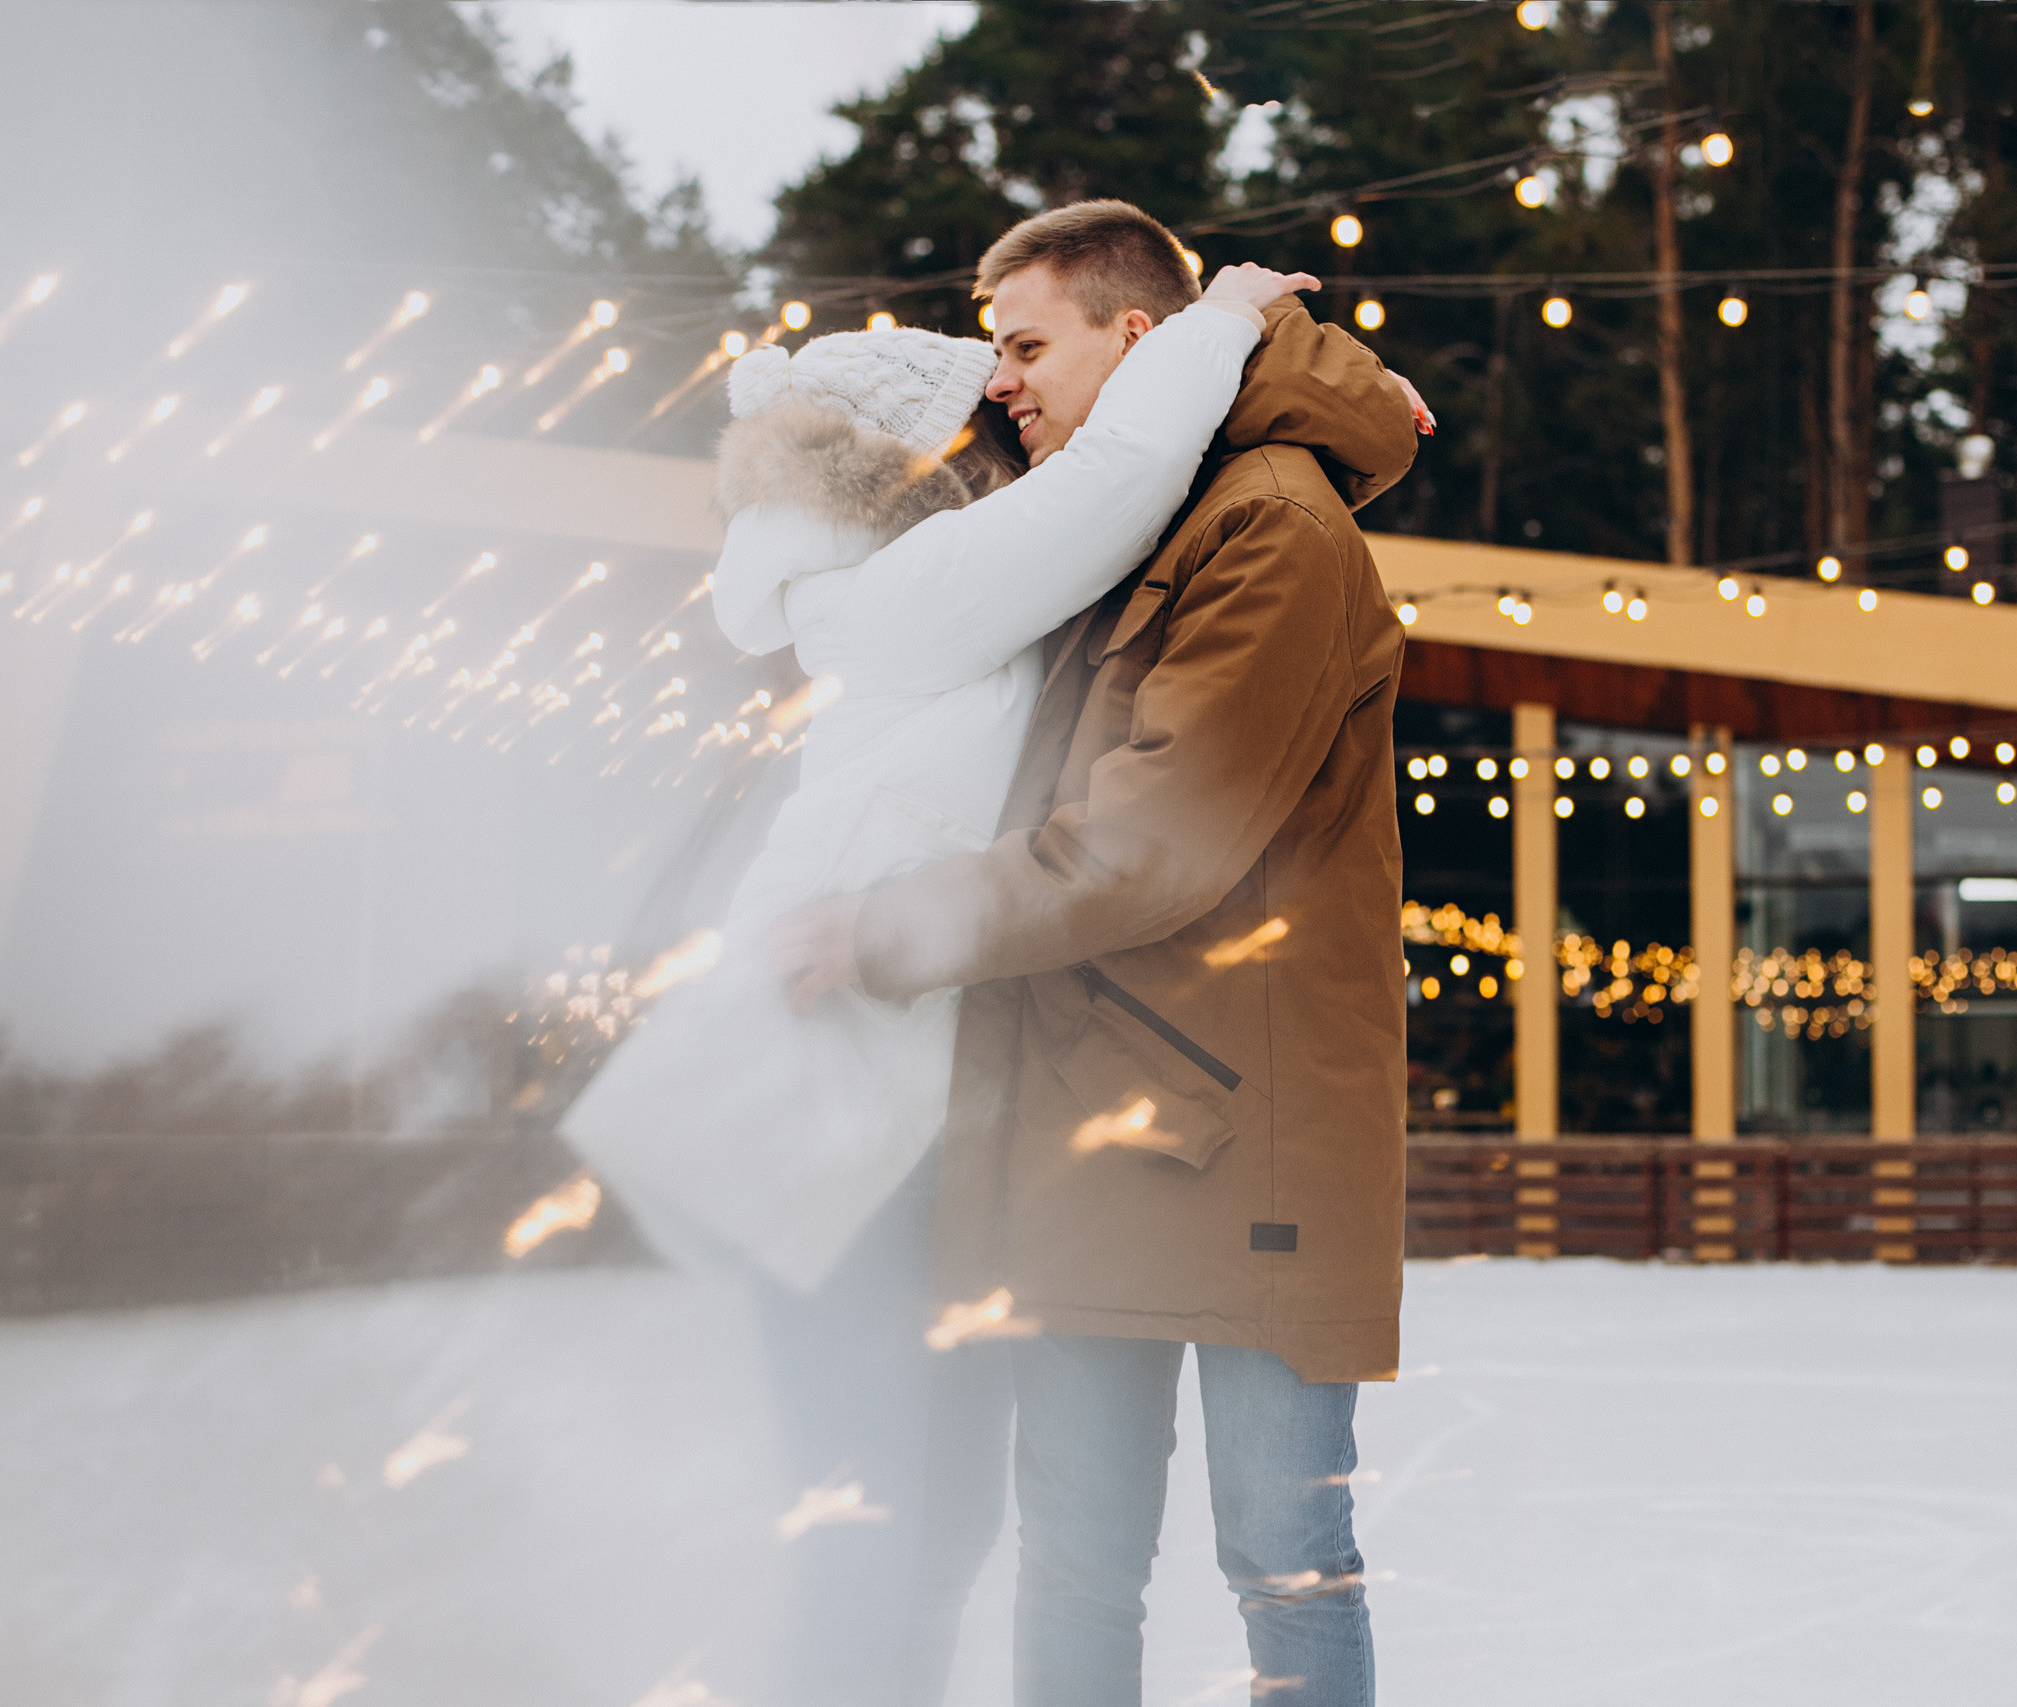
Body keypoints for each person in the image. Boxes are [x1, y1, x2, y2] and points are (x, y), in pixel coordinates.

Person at [563, 255, 1327, 1706]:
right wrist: (1228, 322)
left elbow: (1131, 480)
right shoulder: (914, 594)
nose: (1015, 415)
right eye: (986, 411)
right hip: (824, 1116)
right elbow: (1127, 466)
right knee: (879, 1530)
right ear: (902, 469)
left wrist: (1325, 396)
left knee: (939, 1526)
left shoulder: (935, 605)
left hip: (926, 1135)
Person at [778, 199, 1427, 1707]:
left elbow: (1156, 841)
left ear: (1140, 338)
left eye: (1027, 345)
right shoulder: (1112, 519)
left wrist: (887, 932)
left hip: (1240, 1131)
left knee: (1280, 1551)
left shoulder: (1270, 524)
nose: (1000, 379)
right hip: (1090, 1121)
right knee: (1074, 1554)